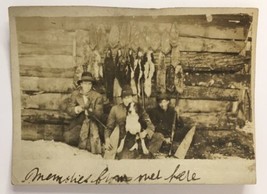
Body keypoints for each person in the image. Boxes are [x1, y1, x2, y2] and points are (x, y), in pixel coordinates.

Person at [104, 85, 155, 159]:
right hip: (125, 139)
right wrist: (107, 139)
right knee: (125, 158)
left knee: (158, 137)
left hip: (139, 136)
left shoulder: (139, 108)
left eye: (129, 97)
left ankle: (144, 153)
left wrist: (146, 132)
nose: (127, 100)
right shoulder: (115, 109)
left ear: (132, 97)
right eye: (125, 98)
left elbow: (150, 124)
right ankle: (139, 154)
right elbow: (109, 127)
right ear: (121, 99)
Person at [62, 72, 104, 154]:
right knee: (68, 138)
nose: (87, 86)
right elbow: (69, 109)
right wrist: (77, 109)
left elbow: (99, 114)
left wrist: (91, 112)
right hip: (79, 123)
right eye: (85, 83)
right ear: (81, 84)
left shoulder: (97, 96)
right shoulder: (75, 94)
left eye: (89, 84)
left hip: (93, 123)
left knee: (92, 143)